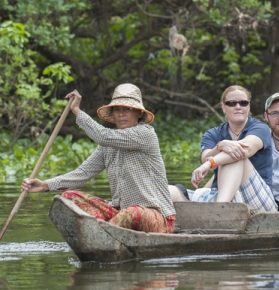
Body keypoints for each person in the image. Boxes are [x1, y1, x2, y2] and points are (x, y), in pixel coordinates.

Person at [22, 84, 176, 233]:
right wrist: (46, 185)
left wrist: (76, 110)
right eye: (117, 110)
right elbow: (83, 173)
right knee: (69, 198)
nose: (121, 114)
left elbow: (103, 136)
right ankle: (102, 232)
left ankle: (102, 232)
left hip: (156, 217)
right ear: (113, 114)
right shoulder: (109, 145)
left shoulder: (145, 134)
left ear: (139, 113)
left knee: (131, 213)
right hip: (121, 215)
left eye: (127, 109)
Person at [169, 85, 277, 213]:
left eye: (243, 103)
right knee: (168, 192)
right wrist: (220, 146)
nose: (238, 106)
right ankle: (217, 209)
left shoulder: (260, 128)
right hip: (221, 194)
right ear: (223, 107)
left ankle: (218, 212)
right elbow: (205, 156)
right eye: (231, 103)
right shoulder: (213, 133)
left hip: (258, 200)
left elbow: (244, 150)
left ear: (249, 106)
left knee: (236, 156)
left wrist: (210, 163)